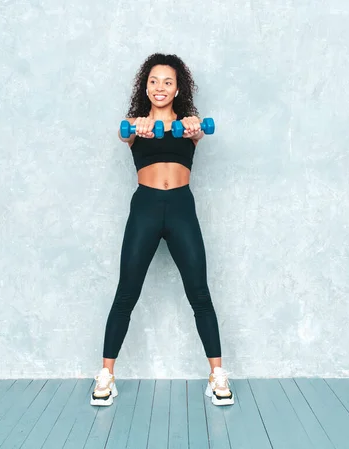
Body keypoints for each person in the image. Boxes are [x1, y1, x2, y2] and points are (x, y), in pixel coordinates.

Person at [90, 53, 234, 407]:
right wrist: (137, 127)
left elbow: (198, 128)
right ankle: (106, 374)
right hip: (146, 209)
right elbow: (124, 133)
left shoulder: (189, 126)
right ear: (145, 85)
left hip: (182, 209)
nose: (160, 88)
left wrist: (194, 125)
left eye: (168, 82)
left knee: (199, 292)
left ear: (178, 87)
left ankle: (217, 375)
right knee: (127, 292)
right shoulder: (133, 126)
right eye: (154, 81)